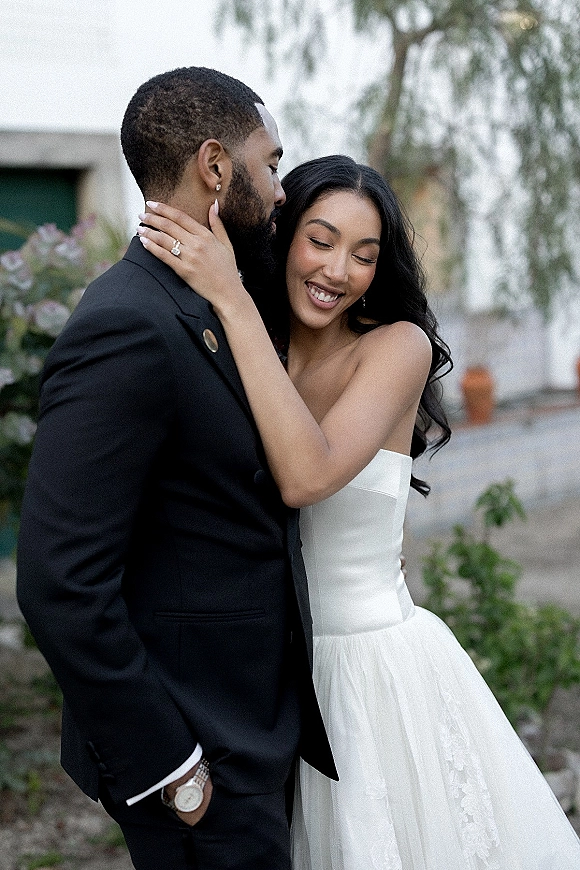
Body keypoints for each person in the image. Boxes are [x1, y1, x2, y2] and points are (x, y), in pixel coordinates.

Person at [137, 153, 580, 868]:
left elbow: (307, 476)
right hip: (267, 678)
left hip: (374, 672)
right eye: (320, 240)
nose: (338, 269)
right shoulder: (250, 354)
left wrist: (232, 298)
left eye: (365, 255)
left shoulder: (394, 347)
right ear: (283, 238)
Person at [16, 68, 337, 870]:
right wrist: (172, 768)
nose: (282, 187)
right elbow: (58, 580)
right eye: (270, 163)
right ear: (215, 169)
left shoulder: (209, 300)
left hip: (253, 730)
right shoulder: (127, 320)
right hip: (199, 757)